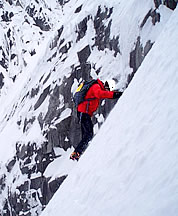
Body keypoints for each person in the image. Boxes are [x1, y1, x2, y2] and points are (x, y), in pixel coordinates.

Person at [70, 79, 122, 160]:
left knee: (86, 135)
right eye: (108, 89)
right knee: (89, 134)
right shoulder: (96, 86)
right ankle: (77, 153)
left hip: (83, 112)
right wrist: (115, 94)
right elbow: (100, 94)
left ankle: (79, 154)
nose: (107, 91)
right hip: (84, 112)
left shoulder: (96, 86)